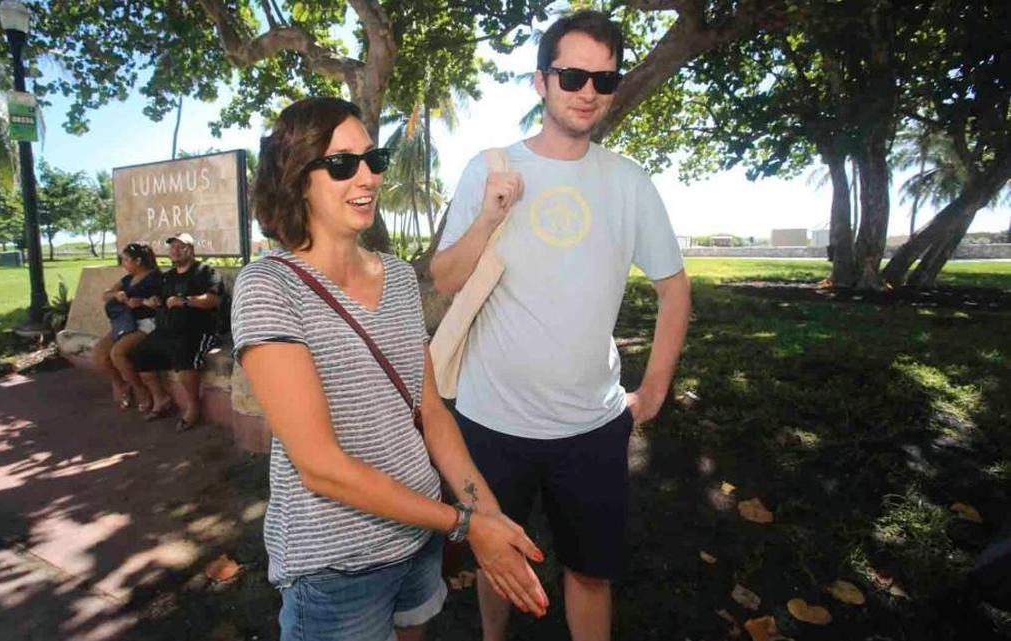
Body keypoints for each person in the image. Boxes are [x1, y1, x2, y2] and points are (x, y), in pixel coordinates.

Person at [232, 97, 549, 641]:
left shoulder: (400, 279)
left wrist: (494, 523)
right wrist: (465, 524)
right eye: (340, 163)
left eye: (372, 159)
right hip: (336, 567)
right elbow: (320, 467)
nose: (367, 176)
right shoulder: (269, 287)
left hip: (417, 543)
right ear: (295, 179)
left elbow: (429, 412)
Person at [430, 10, 692, 641]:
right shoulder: (487, 169)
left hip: (593, 427)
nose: (587, 91)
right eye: (572, 75)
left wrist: (653, 391)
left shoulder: (629, 181)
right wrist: (490, 217)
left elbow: (674, 289)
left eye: (604, 80)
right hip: (491, 423)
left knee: (591, 573)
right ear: (541, 82)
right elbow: (444, 278)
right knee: (499, 561)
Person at [128, 233, 224, 431]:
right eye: (172, 247)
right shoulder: (168, 276)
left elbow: (213, 300)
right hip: (167, 329)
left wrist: (186, 301)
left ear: (192, 249)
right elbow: (162, 302)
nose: (175, 250)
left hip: (198, 330)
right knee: (139, 354)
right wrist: (153, 302)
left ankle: (193, 406)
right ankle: (160, 399)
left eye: (181, 246)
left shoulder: (205, 271)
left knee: (182, 352)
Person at [90, 242, 161, 410]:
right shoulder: (128, 279)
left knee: (117, 353)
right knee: (99, 355)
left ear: (137, 261)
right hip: (125, 323)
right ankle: (122, 386)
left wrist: (142, 302)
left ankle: (141, 391)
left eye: (126, 260)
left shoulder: (155, 278)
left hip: (146, 323)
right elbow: (105, 295)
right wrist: (117, 294)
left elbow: (158, 303)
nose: (123, 263)